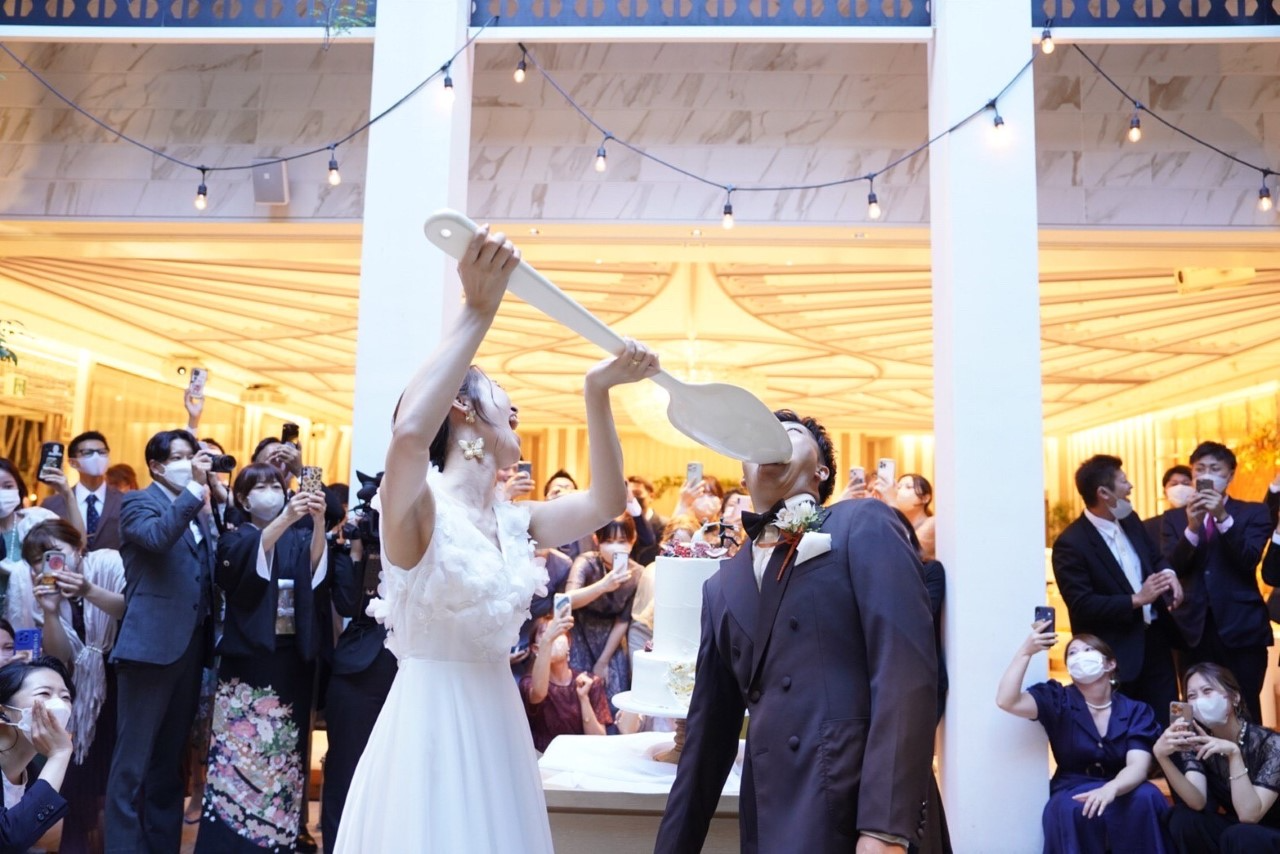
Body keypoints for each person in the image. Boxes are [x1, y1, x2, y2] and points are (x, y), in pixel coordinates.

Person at [332, 226, 658, 853]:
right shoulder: (417, 505)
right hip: (430, 725)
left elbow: (607, 501)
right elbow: (407, 435)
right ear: (462, 407)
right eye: (502, 399)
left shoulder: (517, 521)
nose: (516, 412)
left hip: (498, 727)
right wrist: (477, 310)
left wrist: (598, 390)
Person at [656, 410, 937, 853]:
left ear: (821, 471)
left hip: (857, 807)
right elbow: (706, 741)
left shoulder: (862, 522)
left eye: (789, 433)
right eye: (757, 437)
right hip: (772, 819)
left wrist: (885, 827)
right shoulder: (721, 587)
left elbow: (905, 671)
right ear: (744, 475)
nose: (770, 439)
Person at [195, 463, 332, 853]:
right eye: (261, 487)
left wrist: (317, 522)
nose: (271, 492)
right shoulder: (234, 539)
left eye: (276, 485)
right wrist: (287, 517)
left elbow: (315, 571)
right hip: (247, 663)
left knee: (283, 758)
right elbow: (239, 573)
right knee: (238, 756)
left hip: (292, 662)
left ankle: (275, 840)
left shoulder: (297, 536)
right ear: (242, 499)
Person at [105, 429, 217, 854]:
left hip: (190, 647)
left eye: (193, 455)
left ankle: (162, 847)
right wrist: (194, 491)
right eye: (180, 456)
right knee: (130, 766)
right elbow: (156, 538)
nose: (190, 463)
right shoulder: (137, 502)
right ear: (155, 466)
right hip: (149, 649)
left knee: (169, 763)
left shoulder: (200, 509)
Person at [996, 625, 1170, 853]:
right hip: (1073, 786)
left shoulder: (1136, 710)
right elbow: (1007, 701)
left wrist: (1112, 788)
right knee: (1070, 808)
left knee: (1149, 797)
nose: (1080, 657)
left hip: (1122, 783)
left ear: (1110, 664)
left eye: (1088, 650)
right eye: (1072, 653)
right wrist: (1026, 652)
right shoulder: (1058, 699)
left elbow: (1138, 766)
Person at [1053, 455, 1185, 726]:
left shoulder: (1130, 520)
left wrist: (1169, 575)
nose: (1130, 486)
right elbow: (1082, 604)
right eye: (1124, 481)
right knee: (1122, 730)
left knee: (1166, 725)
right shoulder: (1071, 543)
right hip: (1114, 653)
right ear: (1104, 493)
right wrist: (1136, 599)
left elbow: (1154, 557)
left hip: (1156, 641)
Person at [21, 518, 127, 854]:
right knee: (82, 776)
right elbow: (59, 656)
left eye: (55, 553)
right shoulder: (43, 592)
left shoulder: (108, 562)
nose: (47, 565)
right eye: (37, 561)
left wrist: (87, 590)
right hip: (81, 692)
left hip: (124, 678)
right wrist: (50, 612)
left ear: (79, 548)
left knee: (119, 775)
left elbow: (130, 608)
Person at [1161, 441, 1274, 722]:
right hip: (1191, 631)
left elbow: (1248, 559)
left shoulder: (1253, 512)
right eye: (1199, 469)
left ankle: (1248, 752)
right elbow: (1171, 566)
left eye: (1215, 469)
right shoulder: (1174, 518)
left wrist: (1222, 517)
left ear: (1230, 475)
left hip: (1241, 628)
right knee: (1196, 707)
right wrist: (1192, 527)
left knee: (1244, 705)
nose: (1206, 475)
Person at [1155, 662, 1280, 851]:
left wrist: (1234, 754)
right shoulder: (1198, 740)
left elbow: (1249, 816)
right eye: (1192, 696)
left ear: (1234, 697)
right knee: (1184, 818)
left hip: (1270, 830)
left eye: (1207, 691)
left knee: (1241, 834)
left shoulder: (1272, 744)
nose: (1199, 701)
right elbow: (1197, 801)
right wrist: (1162, 757)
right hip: (1240, 829)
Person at [0, 657, 77, 850]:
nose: (59, 705)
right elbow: (7, 839)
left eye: (65, 697)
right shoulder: (55, 762)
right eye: (44, 693)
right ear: (2, 713)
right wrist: (59, 754)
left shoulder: (35, 776)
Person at [564, 517, 641, 704]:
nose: (615, 547)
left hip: (612, 640)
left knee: (615, 695)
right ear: (596, 540)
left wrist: (603, 661)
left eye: (622, 541)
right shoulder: (586, 562)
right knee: (578, 693)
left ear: (633, 540)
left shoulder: (637, 573)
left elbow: (623, 621)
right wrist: (602, 586)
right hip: (580, 633)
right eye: (608, 541)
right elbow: (568, 601)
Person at [519, 613, 612, 753]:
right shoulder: (528, 683)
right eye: (546, 633)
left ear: (568, 642)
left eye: (558, 632)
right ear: (536, 649)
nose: (553, 637)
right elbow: (539, 693)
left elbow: (599, 741)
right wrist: (547, 641)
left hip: (582, 758)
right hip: (545, 759)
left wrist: (584, 698)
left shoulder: (589, 682)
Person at [1, 458, 78, 620]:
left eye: (7, 486)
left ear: (19, 488)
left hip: (40, 619)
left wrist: (68, 495)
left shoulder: (37, 520)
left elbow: (77, 544)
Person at [42, 431, 124, 552]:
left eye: (102, 452)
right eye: (88, 453)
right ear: (73, 462)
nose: (96, 457)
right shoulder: (52, 504)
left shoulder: (124, 501)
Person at [1145, 465, 1193, 552]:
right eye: (1174, 484)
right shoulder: (1148, 526)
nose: (1180, 488)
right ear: (1165, 492)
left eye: (1186, 484)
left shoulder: (1205, 521)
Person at [893, 474, 937, 562]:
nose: (899, 491)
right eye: (898, 487)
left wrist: (891, 502)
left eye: (908, 487)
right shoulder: (897, 523)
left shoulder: (933, 523)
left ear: (925, 498)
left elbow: (907, 555)